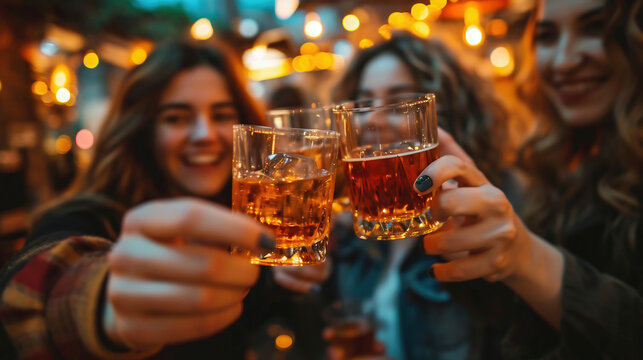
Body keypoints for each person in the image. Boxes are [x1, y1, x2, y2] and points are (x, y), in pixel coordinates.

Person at [0, 40, 296, 359]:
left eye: (221, 115)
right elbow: (33, 294)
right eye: (176, 118)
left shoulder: (244, 216)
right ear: (143, 129)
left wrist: (281, 279)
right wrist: (99, 305)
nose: (205, 134)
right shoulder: (92, 216)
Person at [414, 0, 642, 358]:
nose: (564, 60)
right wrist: (475, 245)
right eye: (547, 36)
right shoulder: (555, 167)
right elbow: (515, 325)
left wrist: (525, 256)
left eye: (595, 28)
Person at [317, 33, 514, 360]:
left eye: (398, 104)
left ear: (442, 113)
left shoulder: (496, 207)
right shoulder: (353, 226)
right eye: (364, 104)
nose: (373, 120)